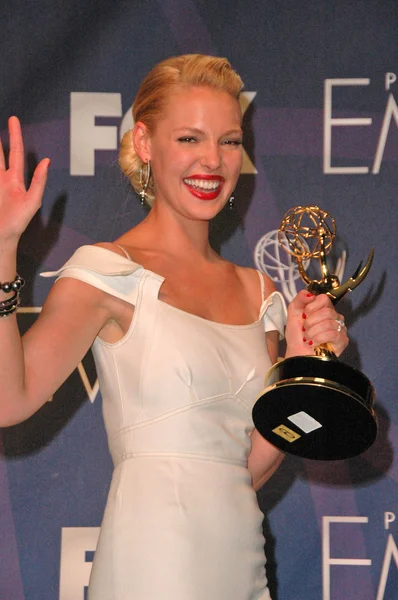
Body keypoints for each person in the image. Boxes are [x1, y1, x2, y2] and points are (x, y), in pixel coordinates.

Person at [0, 54, 348, 599]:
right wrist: (2, 250)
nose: (212, 160)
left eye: (229, 141)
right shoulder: (107, 272)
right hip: (150, 566)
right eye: (190, 138)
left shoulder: (260, 294)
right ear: (144, 143)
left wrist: (302, 372)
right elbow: (8, 400)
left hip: (243, 570)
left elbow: (248, 470)